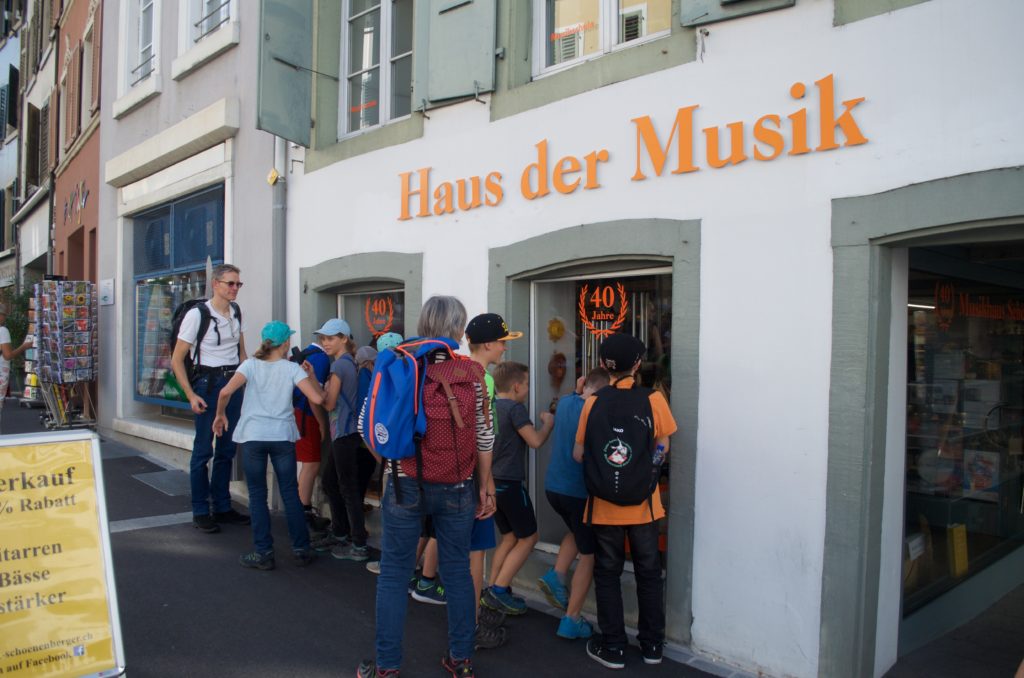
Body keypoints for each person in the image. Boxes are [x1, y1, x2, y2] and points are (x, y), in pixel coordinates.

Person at [357, 295, 495, 678]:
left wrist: (391, 462)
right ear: (459, 329)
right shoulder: (472, 373)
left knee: (394, 574)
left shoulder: (400, 364)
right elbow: (484, 437)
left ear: (423, 324)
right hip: (458, 486)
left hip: (405, 484)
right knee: (458, 573)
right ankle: (461, 660)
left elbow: (367, 426)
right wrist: (484, 486)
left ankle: (386, 667)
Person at [573, 333, 677, 669]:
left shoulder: (593, 402)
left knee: (607, 574)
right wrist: (646, 469)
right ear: (637, 364)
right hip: (645, 506)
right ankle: (652, 646)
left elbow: (578, 454)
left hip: (604, 506)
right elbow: (663, 446)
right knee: (649, 573)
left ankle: (614, 647)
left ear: (604, 365)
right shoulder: (654, 400)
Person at [212, 321, 327, 570]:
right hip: (282, 436)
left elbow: (224, 393)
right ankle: (301, 549)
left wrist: (220, 415)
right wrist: (312, 376)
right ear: (285, 343)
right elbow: (318, 399)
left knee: (257, 495)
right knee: (290, 493)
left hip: (253, 435)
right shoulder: (292, 368)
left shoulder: (249, 366)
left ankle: (263, 553)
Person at [171, 264, 250, 533]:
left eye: (238, 284)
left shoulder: (236, 311)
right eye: (230, 283)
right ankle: (200, 510)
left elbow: (241, 353)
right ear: (216, 284)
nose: (235, 288)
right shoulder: (198, 315)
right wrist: (190, 394)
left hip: (232, 383)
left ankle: (223, 507)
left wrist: (245, 382)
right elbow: (177, 359)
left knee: (227, 449)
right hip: (207, 385)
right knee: (203, 450)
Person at [465, 312, 525, 648]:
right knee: (476, 555)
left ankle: (466, 619)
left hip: (456, 476)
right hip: (475, 477)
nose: (504, 348)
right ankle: (471, 625)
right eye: (501, 342)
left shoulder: (458, 370)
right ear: (487, 344)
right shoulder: (483, 380)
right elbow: (483, 437)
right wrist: (486, 485)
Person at [541, 367, 610, 639]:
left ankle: (556, 576)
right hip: (578, 491)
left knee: (576, 530)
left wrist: (579, 387)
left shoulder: (567, 402)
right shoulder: (595, 410)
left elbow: (577, 392)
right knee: (589, 554)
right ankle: (571, 619)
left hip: (553, 487)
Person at [481, 361, 554, 616]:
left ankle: (492, 588)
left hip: (492, 483)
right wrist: (548, 423)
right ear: (516, 386)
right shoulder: (515, 409)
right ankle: (499, 590)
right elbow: (535, 441)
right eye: (526, 384)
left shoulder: (490, 406)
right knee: (529, 538)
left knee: (510, 537)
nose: (528, 388)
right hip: (510, 484)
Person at [308, 319, 370, 561]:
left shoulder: (339, 367)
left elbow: (328, 403)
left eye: (330, 338)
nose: (325, 342)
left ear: (344, 338)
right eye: (323, 338)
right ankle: (341, 532)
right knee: (333, 484)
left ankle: (358, 543)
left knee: (346, 488)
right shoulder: (349, 362)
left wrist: (314, 385)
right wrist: (313, 377)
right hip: (347, 434)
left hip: (344, 433)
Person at [292, 332, 332, 533]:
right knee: (311, 464)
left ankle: (302, 511)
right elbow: (313, 395)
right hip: (306, 415)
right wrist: (322, 423)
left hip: (295, 413)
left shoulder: (304, 354)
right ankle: (304, 513)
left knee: (307, 464)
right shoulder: (322, 359)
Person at [0, 303, 32, 429]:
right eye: (4, 314)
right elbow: (7, 355)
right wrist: (23, 347)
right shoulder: (2, 331)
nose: (5, 317)